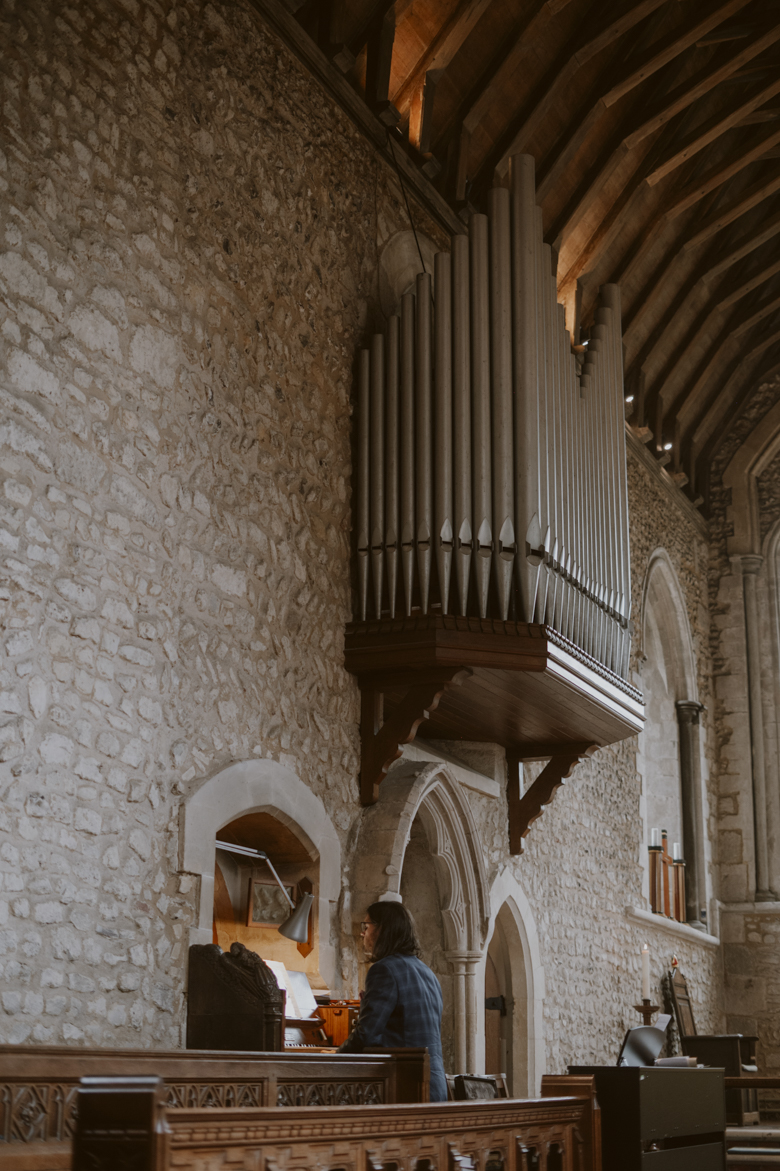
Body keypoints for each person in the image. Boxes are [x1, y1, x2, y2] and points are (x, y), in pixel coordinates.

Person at [338, 900, 447, 1102]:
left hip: (405, 1087)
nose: (362, 933)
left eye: (366, 926)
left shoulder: (384, 970)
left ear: (382, 929)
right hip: (434, 1086)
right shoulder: (427, 972)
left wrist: (335, 1057)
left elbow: (367, 1034)